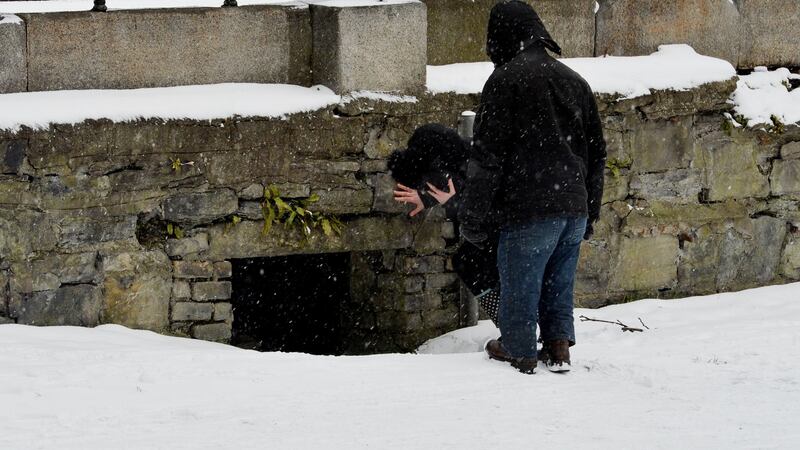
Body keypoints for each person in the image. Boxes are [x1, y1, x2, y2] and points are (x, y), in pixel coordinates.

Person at [458, 1, 606, 374]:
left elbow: (487, 157)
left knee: (520, 281)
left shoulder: (506, 80)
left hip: (529, 206)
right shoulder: (574, 80)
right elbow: (596, 153)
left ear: (501, 36)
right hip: (573, 203)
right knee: (559, 282)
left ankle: (518, 349)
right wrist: (590, 208)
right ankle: (558, 348)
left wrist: (472, 216)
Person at [388, 124, 502, 323]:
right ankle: (515, 326)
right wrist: (429, 198)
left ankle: (513, 326)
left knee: (474, 263)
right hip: (517, 228)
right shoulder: (469, 158)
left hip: (512, 234)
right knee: (468, 260)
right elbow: (453, 188)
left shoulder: (474, 169)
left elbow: (484, 213)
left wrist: (452, 202)